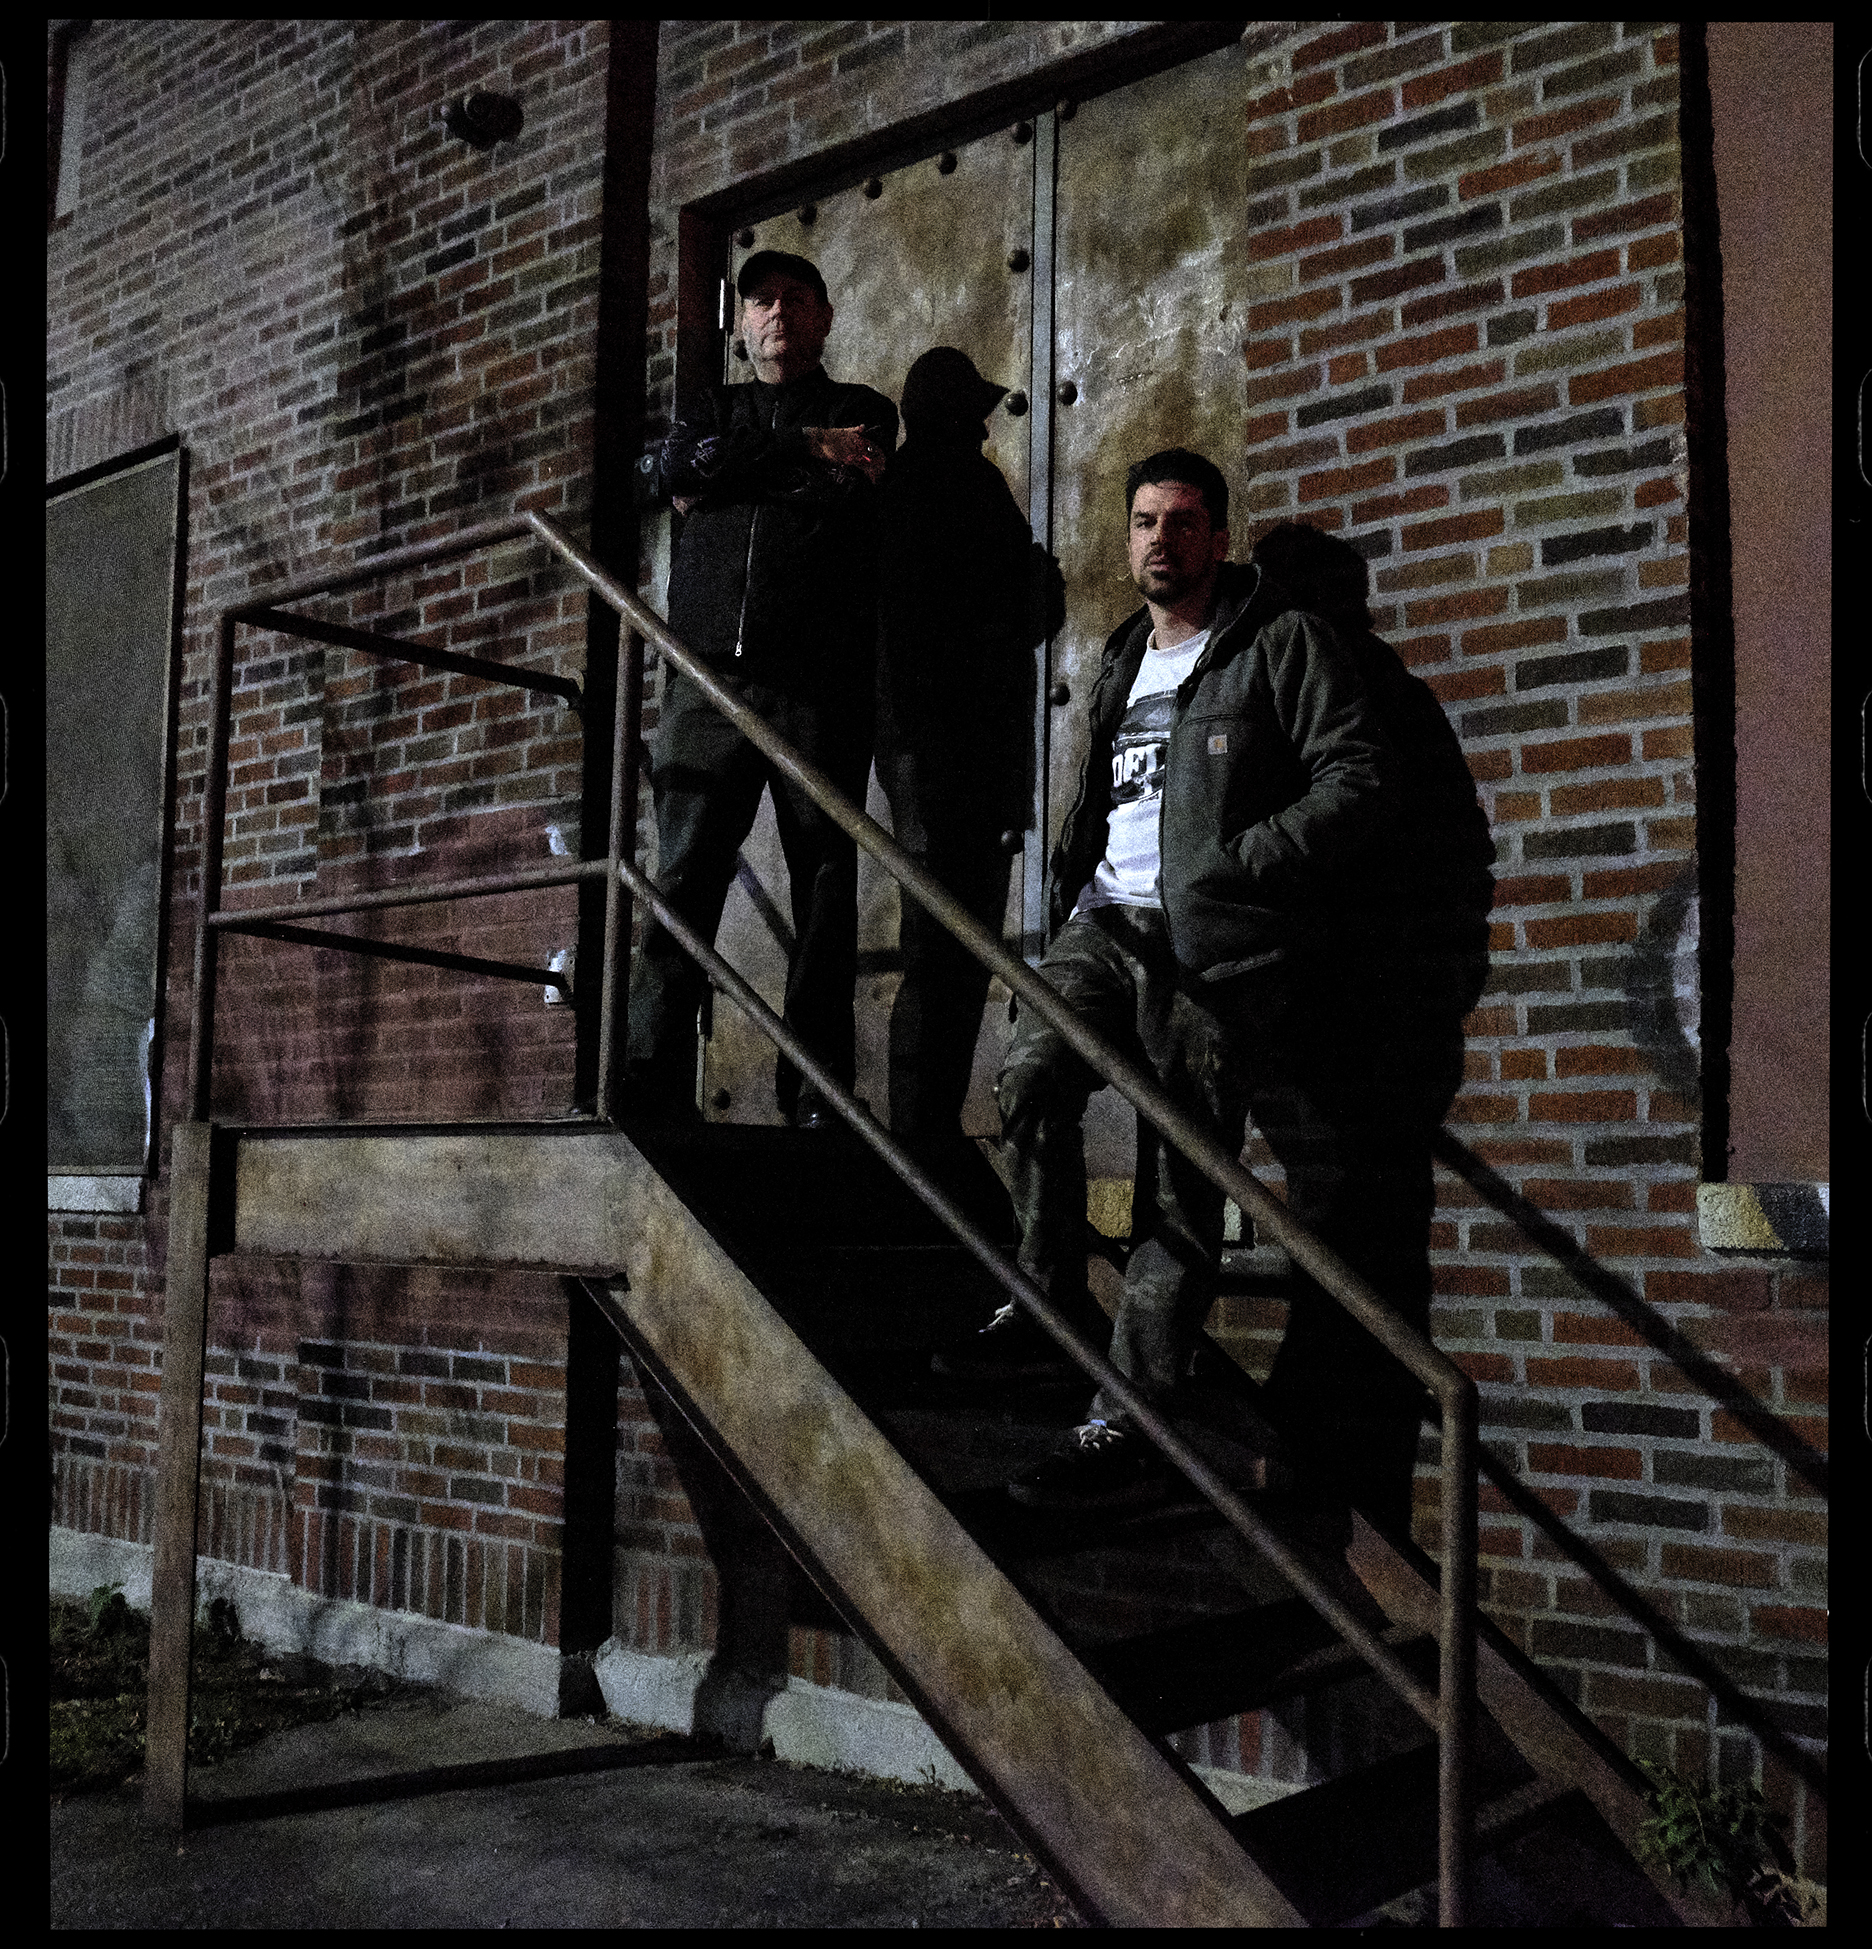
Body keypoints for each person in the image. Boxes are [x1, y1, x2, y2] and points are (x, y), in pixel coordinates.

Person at [951, 448, 1410, 1515]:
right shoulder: (1123, 653)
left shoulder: (1280, 641)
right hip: (1104, 923)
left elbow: (1359, 776)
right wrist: (1071, 884)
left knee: (1181, 1177)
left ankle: (1131, 1411)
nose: (1163, 539)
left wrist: (1238, 866)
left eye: (1185, 521)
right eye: (1147, 521)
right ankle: (1045, 1299)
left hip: (1209, 947)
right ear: (1129, 540)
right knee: (1028, 1079)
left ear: (1219, 537)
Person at [626, 251, 899, 1127]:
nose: (776, 311)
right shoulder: (711, 406)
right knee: (683, 872)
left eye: (794, 298)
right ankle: (650, 1074)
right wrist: (798, 448)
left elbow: (840, 488)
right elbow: (664, 471)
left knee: (823, 881)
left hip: (814, 684)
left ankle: (815, 1092)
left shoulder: (862, 411)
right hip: (705, 679)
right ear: (741, 324)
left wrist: (728, 475)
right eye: (761, 300)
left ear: (824, 317)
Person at [875, 347, 1060, 1165]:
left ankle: (925, 1130)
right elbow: (1031, 603)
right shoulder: (957, 488)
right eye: (975, 410)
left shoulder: (913, 490)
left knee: (943, 950)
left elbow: (1025, 599)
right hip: (953, 755)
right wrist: (1022, 591)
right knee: (948, 947)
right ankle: (922, 1135)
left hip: (938, 755)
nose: (987, 424)